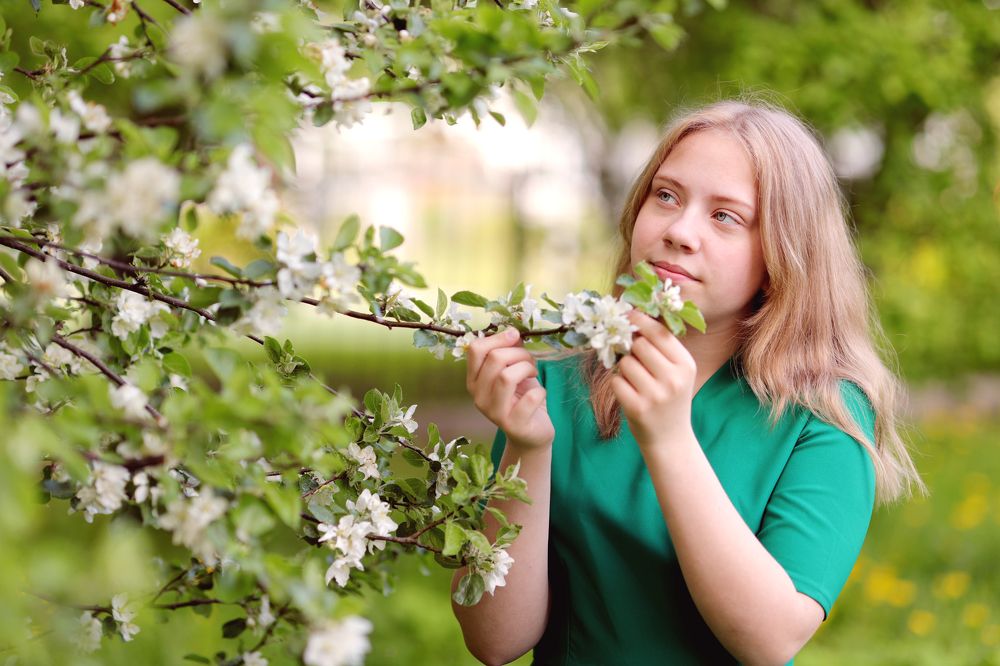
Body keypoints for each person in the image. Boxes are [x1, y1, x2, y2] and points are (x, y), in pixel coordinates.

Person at [451, 99, 924, 666]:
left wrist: (668, 437)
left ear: (785, 252)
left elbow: (770, 640)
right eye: (666, 195)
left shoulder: (825, 415)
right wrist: (527, 447)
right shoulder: (556, 388)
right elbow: (496, 641)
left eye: (726, 216)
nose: (679, 231)